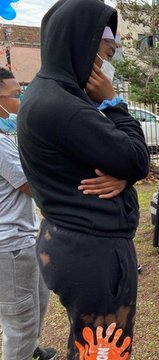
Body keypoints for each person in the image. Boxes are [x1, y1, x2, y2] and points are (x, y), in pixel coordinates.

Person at [17, 0, 150, 359]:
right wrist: (113, 102)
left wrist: (122, 175)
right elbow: (137, 158)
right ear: (83, 46)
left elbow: (110, 157)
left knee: (90, 341)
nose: (106, 65)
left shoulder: (46, 94)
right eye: (105, 53)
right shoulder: (65, 106)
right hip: (93, 252)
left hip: (68, 239)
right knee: (104, 349)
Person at [0, 68, 57, 360]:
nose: (20, 100)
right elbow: (29, 185)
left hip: (24, 236)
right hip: (9, 245)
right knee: (20, 319)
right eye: (14, 94)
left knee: (37, 300)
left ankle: (32, 349)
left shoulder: (4, 136)